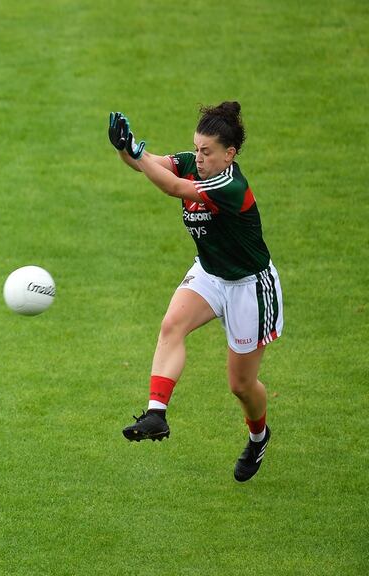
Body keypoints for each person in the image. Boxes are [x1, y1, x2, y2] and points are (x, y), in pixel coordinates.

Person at [108, 102, 283, 482]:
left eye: (207, 152)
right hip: (209, 273)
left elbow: (172, 187)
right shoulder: (192, 162)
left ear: (229, 154)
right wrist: (125, 146)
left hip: (249, 287)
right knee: (172, 324)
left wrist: (137, 153)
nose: (199, 157)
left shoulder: (229, 185)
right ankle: (157, 413)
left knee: (240, 385)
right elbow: (147, 163)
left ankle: (258, 437)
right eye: (197, 148)